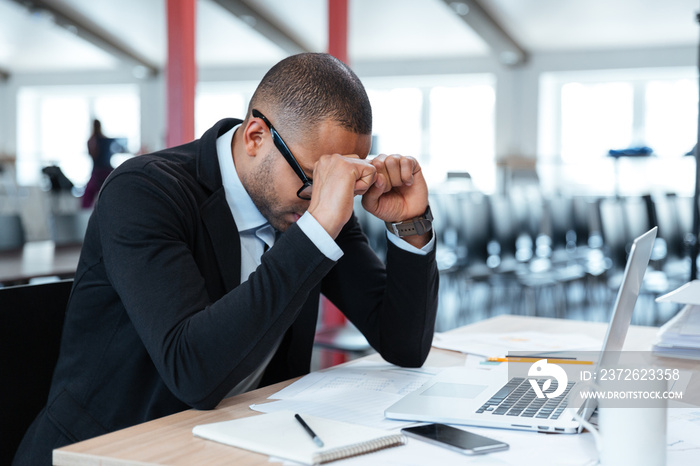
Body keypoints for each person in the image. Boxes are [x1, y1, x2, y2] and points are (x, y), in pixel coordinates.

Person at [13, 53, 438, 465]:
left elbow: (403, 344)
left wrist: (411, 225)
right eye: (315, 179)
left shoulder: (309, 205)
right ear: (256, 136)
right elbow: (193, 374)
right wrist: (316, 229)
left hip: (237, 440)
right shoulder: (143, 192)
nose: (322, 200)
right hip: (112, 448)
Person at [81, 119, 114, 209]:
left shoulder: (93, 141)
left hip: (100, 172)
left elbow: (93, 155)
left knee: (88, 197)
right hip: (105, 171)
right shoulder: (104, 141)